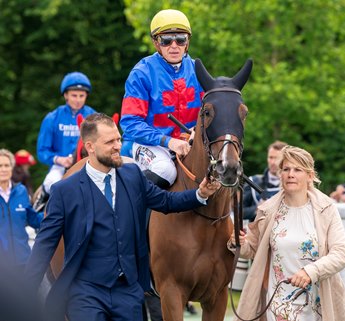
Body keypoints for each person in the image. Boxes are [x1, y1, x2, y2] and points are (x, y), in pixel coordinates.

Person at [24, 113, 220, 321]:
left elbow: (166, 202)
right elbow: (45, 243)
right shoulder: (65, 191)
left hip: (127, 293)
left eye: (118, 139)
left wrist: (200, 194)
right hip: (85, 294)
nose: (118, 146)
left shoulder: (133, 176)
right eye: (110, 142)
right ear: (90, 147)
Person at [228, 145, 345, 321]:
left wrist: (311, 271)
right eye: (286, 169)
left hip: (318, 301)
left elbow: (341, 254)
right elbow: (253, 250)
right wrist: (239, 243)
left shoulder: (326, 209)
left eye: (297, 170)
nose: (290, 174)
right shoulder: (267, 210)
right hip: (279, 303)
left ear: (310, 175)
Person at [120, 9, 203, 188]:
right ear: (156, 43)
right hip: (148, 144)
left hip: (189, 143)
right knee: (166, 170)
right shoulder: (141, 73)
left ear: (187, 42)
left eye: (180, 39)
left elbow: (209, 112)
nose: (174, 45)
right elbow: (130, 123)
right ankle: (130, 212)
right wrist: (168, 141)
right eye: (166, 40)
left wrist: (197, 129)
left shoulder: (198, 70)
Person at [37, 71, 96, 194]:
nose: (78, 100)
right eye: (74, 95)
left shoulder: (95, 117)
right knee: (50, 183)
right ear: (66, 95)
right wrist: (59, 159)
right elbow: (42, 151)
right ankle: (40, 206)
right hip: (60, 166)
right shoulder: (52, 118)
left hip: (90, 165)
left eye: (82, 96)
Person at [0, 149, 43, 273]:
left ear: (12, 168)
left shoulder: (21, 191)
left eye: (6, 165)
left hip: (23, 261)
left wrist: (54, 215)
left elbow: (33, 219)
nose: (3, 169)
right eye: (0, 166)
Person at [243, 140, 287, 221]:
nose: (273, 162)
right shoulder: (253, 182)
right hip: (258, 232)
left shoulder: (292, 184)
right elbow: (239, 212)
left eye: (277, 158)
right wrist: (257, 209)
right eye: (270, 157)